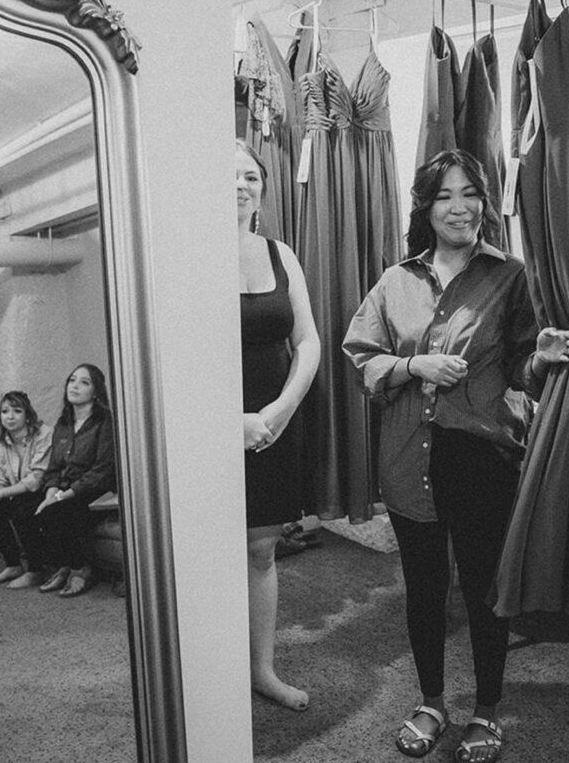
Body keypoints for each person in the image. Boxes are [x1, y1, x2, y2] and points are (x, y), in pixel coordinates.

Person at [343, 149, 569, 763]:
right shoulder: (396, 281)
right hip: (407, 457)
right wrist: (411, 364)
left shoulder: (511, 275)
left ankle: (487, 711)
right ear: (426, 206)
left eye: (471, 193)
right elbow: (361, 355)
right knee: (422, 588)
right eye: (446, 195)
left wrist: (544, 356)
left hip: (481, 457)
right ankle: (430, 702)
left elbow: (522, 372)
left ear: (485, 202)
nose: (460, 207)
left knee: (482, 591)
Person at [236, 139, 321, 711]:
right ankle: (211, 665)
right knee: (208, 553)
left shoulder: (279, 253)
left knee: (262, 552)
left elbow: (308, 340)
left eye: (250, 175)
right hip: (211, 427)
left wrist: (281, 409)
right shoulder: (186, 252)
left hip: (273, 423)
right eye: (229, 175)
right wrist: (227, 422)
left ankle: (262, 670)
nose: (241, 185)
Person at [35, 363, 116, 597]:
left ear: (96, 391)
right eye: (72, 380)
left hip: (93, 490)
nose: (75, 386)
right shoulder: (63, 423)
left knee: (56, 514)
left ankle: (82, 570)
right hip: (63, 487)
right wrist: (51, 492)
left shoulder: (104, 422)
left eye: (84, 382)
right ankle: (64, 567)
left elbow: (102, 471)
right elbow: (53, 468)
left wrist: (61, 496)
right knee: (29, 509)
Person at [0, 391, 52, 588]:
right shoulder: (0, 442)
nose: (10, 416)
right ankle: (13, 564)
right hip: (18, 490)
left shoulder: (44, 434)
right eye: (5, 411)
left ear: (28, 415)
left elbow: (36, 479)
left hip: (47, 489)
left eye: (17, 411)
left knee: (23, 510)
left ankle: (35, 570)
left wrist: (1, 493)